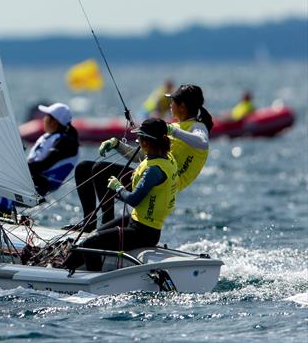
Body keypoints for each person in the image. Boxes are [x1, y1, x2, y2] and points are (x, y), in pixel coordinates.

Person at [71, 84, 211, 231]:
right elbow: (142, 156)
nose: (170, 105)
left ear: (182, 106)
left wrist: (172, 130)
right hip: (151, 174)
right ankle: (89, 223)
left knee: (100, 170)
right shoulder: (177, 126)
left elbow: (202, 143)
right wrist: (117, 145)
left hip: (161, 185)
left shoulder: (197, 128)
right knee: (83, 168)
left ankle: (106, 225)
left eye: (173, 101)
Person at [64, 118, 178, 271]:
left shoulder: (154, 170)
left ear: (148, 142)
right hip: (137, 222)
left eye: (140, 138)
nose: (137, 141)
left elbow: (134, 199)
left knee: (90, 244)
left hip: (142, 232)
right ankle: (64, 268)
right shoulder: (166, 158)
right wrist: (117, 145)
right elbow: (142, 159)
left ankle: (93, 280)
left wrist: (118, 188)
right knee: (95, 235)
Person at [27, 102, 80, 197]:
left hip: (39, 186)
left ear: (54, 121)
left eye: (46, 116)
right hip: (29, 179)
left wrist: (20, 167)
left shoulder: (65, 143)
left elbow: (44, 165)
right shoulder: (50, 136)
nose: (43, 119)